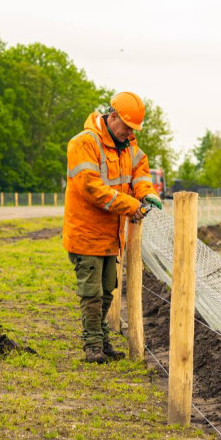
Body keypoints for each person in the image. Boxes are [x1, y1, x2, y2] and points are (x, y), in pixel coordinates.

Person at [62, 91, 164, 363]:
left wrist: (146, 193)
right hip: (86, 232)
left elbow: (140, 172)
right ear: (113, 116)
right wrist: (131, 205)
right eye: (127, 127)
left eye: (133, 129)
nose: (130, 133)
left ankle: (102, 339)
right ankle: (93, 345)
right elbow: (91, 188)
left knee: (108, 289)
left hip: (111, 234)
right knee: (91, 292)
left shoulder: (129, 145)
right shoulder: (84, 143)